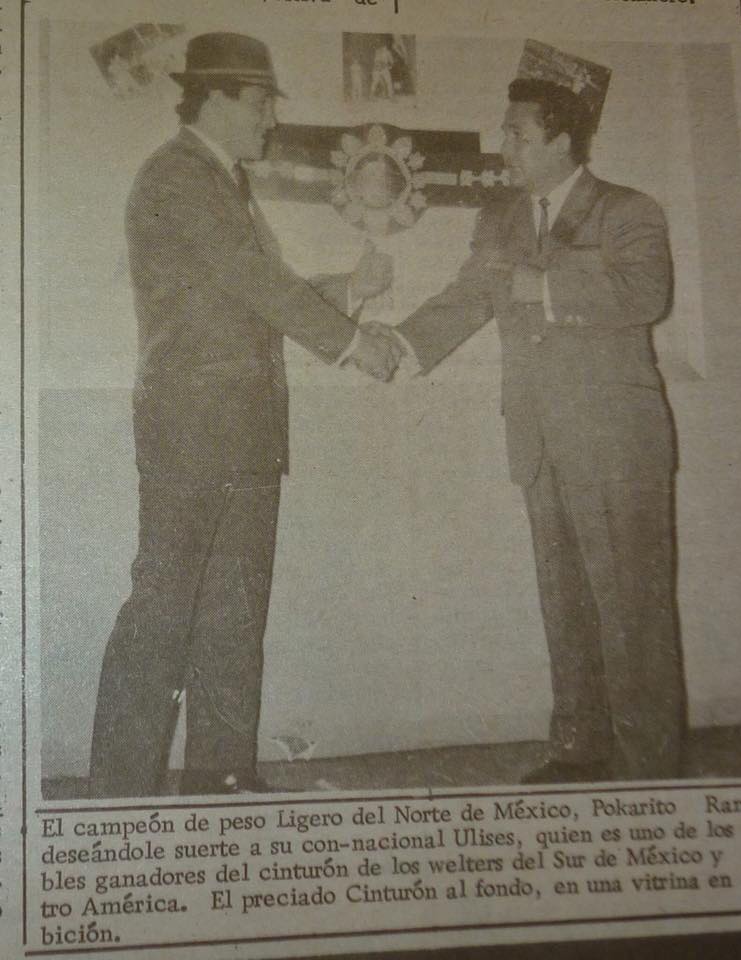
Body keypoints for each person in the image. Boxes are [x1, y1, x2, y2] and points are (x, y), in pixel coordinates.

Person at [89, 32, 402, 799]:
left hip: (243, 433)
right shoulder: (178, 175)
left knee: (233, 616)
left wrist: (349, 291)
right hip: (195, 431)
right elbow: (254, 282)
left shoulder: (222, 182)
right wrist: (352, 343)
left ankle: (220, 777)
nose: (270, 119)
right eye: (260, 102)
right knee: (163, 616)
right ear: (216, 98)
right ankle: (118, 796)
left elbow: (254, 291)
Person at [394, 78, 684, 783]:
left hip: (616, 443)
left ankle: (650, 774)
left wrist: (544, 288)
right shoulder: (500, 217)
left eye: (518, 135)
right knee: (566, 602)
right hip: (538, 440)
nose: (504, 148)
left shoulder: (628, 209)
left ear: (562, 140)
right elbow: (467, 297)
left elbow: (647, 294)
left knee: (632, 611)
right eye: (505, 133)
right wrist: (397, 345)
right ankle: (579, 750)